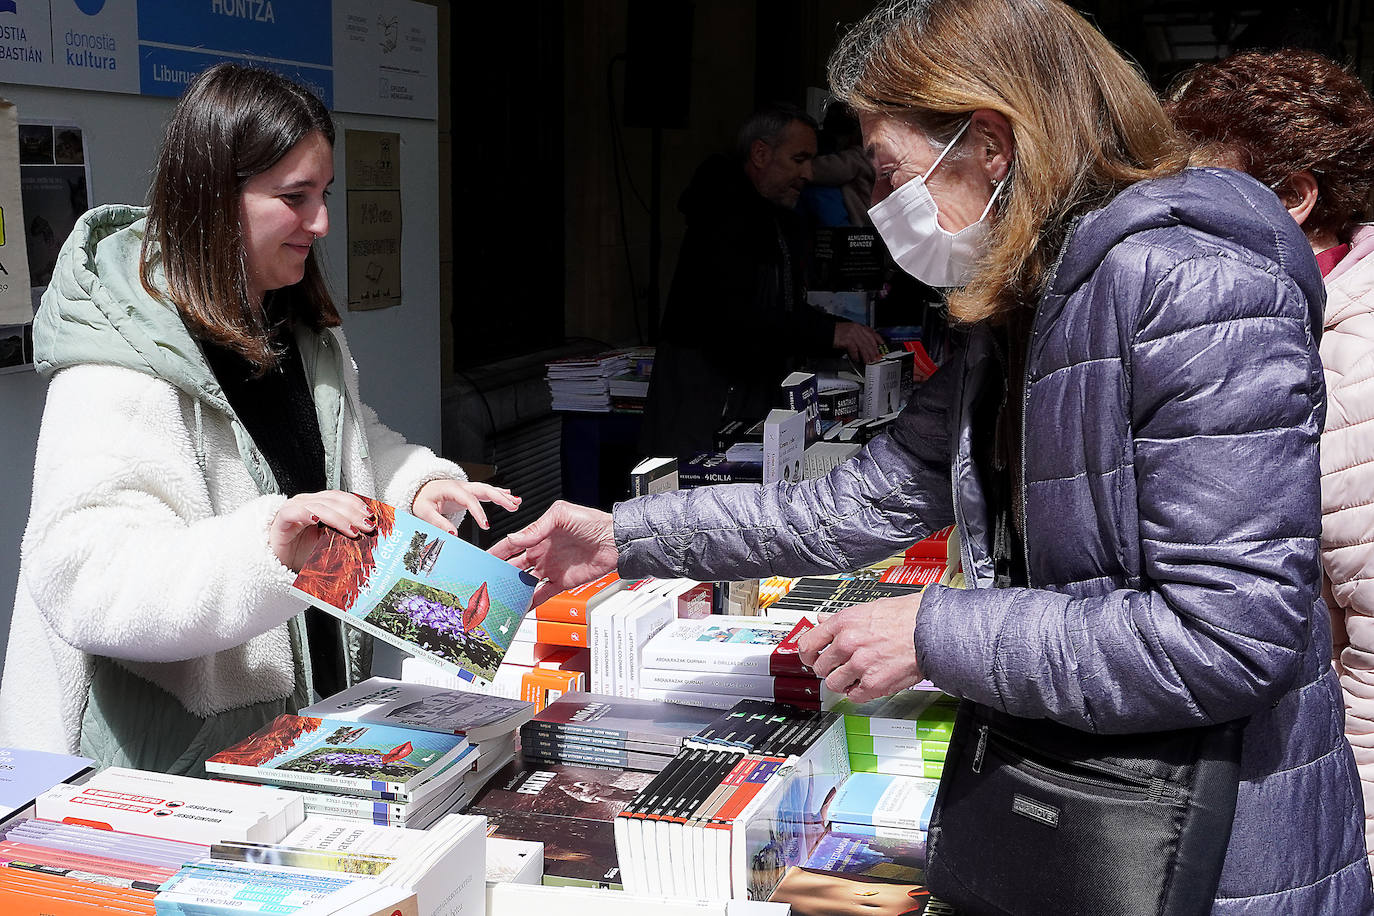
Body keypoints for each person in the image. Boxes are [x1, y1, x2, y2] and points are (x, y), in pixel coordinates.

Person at [494, 0, 1374, 909]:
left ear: (991, 145)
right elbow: (854, 503)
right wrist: (624, 536)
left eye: (889, 174)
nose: (876, 209)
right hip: (1092, 809)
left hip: (1216, 851)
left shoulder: (1193, 285)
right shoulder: (1024, 301)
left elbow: (1226, 635)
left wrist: (933, 633)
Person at [0, 63, 519, 775]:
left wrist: (416, 487)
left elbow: (340, 451)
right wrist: (264, 552)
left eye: (325, 194)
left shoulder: (295, 325)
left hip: (308, 732)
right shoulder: (116, 365)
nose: (322, 222)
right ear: (215, 197)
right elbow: (84, 575)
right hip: (176, 766)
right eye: (294, 197)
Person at [1167, 46, 1374, 877]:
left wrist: (1349, 846)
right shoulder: (1277, 318)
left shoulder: (1353, 354)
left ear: (1292, 198)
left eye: (1200, 187)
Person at [640, 103, 884, 458]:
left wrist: (836, 329)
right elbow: (739, 316)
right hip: (704, 407)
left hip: (740, 402)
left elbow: (784, 306)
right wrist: (832, 333)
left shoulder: (776, 215)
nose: (808, 173)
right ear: (760, 154)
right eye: (798, 159)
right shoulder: (725, 213)